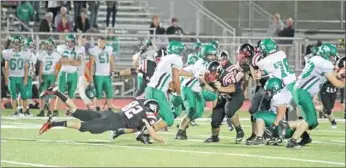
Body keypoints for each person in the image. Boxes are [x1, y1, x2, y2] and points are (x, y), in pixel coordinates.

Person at [39, 86, 165, 144]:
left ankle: (57, 91)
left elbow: (134, 127)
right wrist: (163, 140)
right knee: (83, 126)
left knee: (75, 110)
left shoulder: (138, 103)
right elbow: (153, 135)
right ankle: (53, 123)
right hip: (110, 122)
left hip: (108, 114)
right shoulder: (147, 115)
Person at [284, 43, 345, 148]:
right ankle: (290, 136)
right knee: (311, 120)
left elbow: (329, 75)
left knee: (313, 122)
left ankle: (304, 138)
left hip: (301, 90)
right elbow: (337, 83)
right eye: (331, 55)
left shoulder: (316, 59)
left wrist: (340, 74)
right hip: (303, 92)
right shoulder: (324, 63)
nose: (332, 58)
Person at [251, 77, 312, 146]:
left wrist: (271, 129)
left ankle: (259, 138)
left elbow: (281, 114)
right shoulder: (286, 94)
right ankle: (276, 137)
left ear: (275, 88)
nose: (267, 93)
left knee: (258, 115)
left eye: (268, 91)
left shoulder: (279, 97)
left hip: (284, 127)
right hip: (290, 127)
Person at [256, 38, 296, 142]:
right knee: (291, 112)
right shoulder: (282, 53)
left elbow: (259, 73)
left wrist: (272, 127)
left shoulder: (264, 62)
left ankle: (276, 134)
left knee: (271, 111)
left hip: (282, 87)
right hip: (291, 83)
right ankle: (279, 135)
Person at [142, 41, 185, 132]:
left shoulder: (166, 59)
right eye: (181, 51)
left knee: (147, 117)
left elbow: (172, 74)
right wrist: (179, 93)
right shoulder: (176, 58)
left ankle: (123, 130)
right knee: (169, 119)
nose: (182, 54)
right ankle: (145, 133)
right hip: (157, 91)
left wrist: (191, 74)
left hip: (151, 89)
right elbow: (175, 77)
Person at [175, 45, 216, 140]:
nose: (213, 57)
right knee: (192, 110)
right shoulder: (201, 64)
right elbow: (203, 81)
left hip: (197, 90)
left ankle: (183, 125)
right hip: (189, 88)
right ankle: (180, 132)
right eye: (210, 55)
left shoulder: (209, 64)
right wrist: (214, 89)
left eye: (214, 55)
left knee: (198, 113)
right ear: (204, 55)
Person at [202, 61, 245, 143]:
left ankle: (240, 131)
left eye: (213, 73)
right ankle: (215, 137)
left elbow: (232, 89)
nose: (211, 75)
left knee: (229, 110)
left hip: (235, 96)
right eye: (210, 73)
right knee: (215, 120)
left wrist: (220, 89)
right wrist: (205, 83)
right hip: (223, 97)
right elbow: (212, 89)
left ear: (218, 71)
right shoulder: (212, 78)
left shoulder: (226, 75)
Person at [237, 42, 270, 144]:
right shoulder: (245, 62)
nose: (241, 55)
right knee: (253, 110)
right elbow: (237, 77)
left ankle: (269, 134)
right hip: (260, 86)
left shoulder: (257, 59)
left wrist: (251, 67)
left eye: (242, 53)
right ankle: (255, 134)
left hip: (269, 85)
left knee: (263, 111)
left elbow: (258, 75)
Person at [53, 34, 84, 116]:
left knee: (72, 93)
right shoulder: (61, 48)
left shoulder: (78, 49)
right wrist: (72, 61)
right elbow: (61, 61)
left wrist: (68, 61)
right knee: (60, 92)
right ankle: (56, 111)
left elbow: (78, 63)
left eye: (71, 42)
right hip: (63, 73)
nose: (70, 43)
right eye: (68, 42)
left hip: (73, 74)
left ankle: (69, 110)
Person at [2, 36, 31, 116]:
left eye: (18, 43)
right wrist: (6, 79)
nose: (16, 45)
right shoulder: (8, 53)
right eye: (15, 43)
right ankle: (16, 112)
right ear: (12, 44)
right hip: (12, 77)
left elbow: (26, 67)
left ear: (20, 44)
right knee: (13, 95)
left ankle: (25, 111)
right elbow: (6, 67)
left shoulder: (24, 53)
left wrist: (25, 78)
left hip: (21, 77)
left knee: (24, 95)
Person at [89, 37, 116, 111]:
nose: (101, 43)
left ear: (105, 42)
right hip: (98, 75)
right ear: (97, 42)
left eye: (103, 42)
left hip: (107, 75)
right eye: (99, 42)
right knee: (98, 93)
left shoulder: (109, 49)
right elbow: (91, 65)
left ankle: (110, 109)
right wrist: (90, 76)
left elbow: (112, 61)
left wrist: (112, 71)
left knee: (109, 93)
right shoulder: (94, 50)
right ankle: (97, 108)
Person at [37, 39, 61, 117]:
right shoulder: (42, 54)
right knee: (42, 94)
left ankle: (50, 111)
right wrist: (40, 77)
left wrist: (56, 75)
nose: (50, 47)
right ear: (46, 46)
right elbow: (41, 66)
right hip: (44, 74)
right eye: (49, 45)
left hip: (51, 75)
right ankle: (42, 110)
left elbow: (58, 65)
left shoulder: (56, 55)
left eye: (51, 45)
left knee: (51, 94)